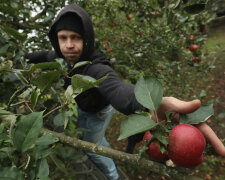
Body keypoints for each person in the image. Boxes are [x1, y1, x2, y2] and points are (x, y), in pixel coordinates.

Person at [25, 4, 225, 180]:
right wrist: (19, 58)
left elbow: (118, 89)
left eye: (76, 37)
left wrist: (151, 102)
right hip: (84, 106)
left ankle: (112, 176)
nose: (69, 45)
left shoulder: (95, 67)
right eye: (63, 37)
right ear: (56, 39)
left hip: (99, 110)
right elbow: (43, 55)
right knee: (97, 136)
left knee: (94, 148)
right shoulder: (59, 57)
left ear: (86, 38)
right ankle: (103, 142)